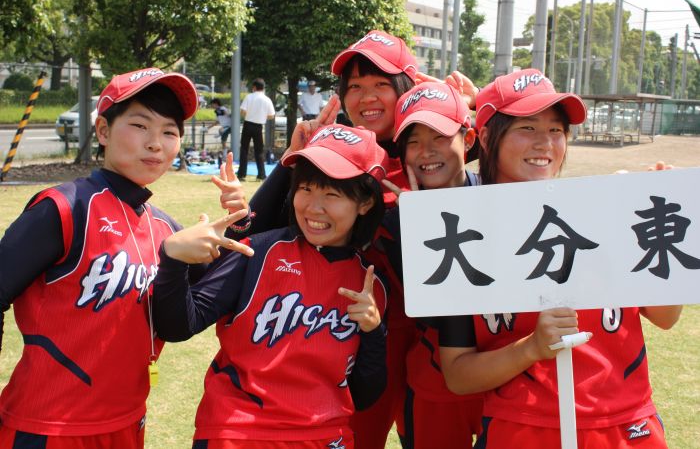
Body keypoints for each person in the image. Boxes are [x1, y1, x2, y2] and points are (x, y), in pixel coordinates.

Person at [243, 29, 479, 449]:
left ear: (407, 86)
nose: (367, 98)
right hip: (357, 328)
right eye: (355, 87)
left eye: (381, 85)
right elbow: (255, 233)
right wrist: (289, 163)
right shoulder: (338, 158)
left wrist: (477, 112)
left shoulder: (438, 152)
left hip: (443, 339)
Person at [437, 69, 682, 448]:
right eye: (527, 128)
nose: (545, 144)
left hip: (626, 426)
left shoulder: (611, 209)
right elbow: (457, 374)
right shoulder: (459, 233)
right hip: (521, 429)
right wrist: (531, 348)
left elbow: (665, 317)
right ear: (486, 138)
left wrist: (663, 226)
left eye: (555, 130)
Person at [0, 67, 236, 449]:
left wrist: (244, 216)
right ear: (104, 131)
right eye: (140, 125)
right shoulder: (64, 208)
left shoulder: (164, 229)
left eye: (170, 132)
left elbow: (225, 288)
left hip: (127, 425)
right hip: (46, 428)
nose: (155, 143)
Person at [151, 123, 390, 449]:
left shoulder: (370, 284)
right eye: (306, 188)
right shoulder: (258, 252)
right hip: (237, 433)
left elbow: (364, 396)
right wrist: (173, 260)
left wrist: (373, 331)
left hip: (325, 438)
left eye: (332, 194)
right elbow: (179, 325)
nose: (313, 207)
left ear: (365, 203)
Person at [381, 81, 485, 448]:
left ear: (468, 138)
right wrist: (413, 221)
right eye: (412, 141)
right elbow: (432, 313)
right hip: (434, 382)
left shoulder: (503, 195)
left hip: (510, 379)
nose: (425, 152)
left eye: (438, 136)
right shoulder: (391, 218)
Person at [239, 78, 275, 181]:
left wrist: (250, 115)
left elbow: (243, 111)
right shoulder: (267, 99)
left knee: (244, 149)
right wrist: (262, 116)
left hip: (248, 124)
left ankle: (242, 175)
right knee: (259, 151)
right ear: (263, 88)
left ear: (254, 87)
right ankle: (261, 175)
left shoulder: (249, 97)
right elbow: (271, 115)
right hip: (259, 126)